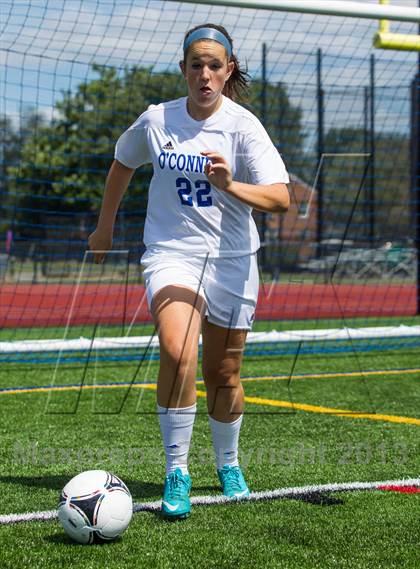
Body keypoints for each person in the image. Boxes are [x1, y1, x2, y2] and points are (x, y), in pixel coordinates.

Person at [88, 23, 290, 520]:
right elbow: (122, 162)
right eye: (195, 64)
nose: (204, 73)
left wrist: (230, 184)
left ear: (228, 71)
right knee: (178, 353)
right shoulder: (157, 121)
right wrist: (104, 228)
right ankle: (177, 470)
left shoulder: (244, 127)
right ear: (183, 69)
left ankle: (228, 463)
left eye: (214, 65)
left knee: (224, 375)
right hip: (171, 253)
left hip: (234, 261)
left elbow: (281, 198)